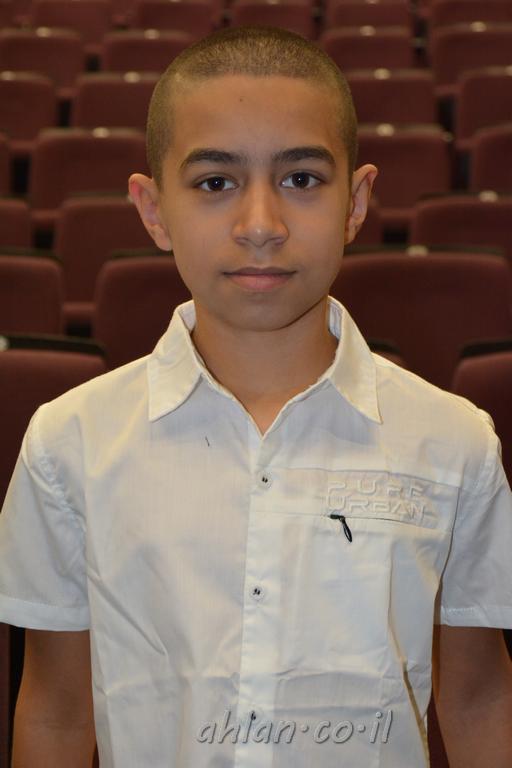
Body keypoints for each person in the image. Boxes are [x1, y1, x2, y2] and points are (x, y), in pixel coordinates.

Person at [1, 25, 511, 768]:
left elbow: (478, 698)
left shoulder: (453, 442)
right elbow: (56, 709)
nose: (261, 226)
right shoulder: (69, 443)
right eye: (216, 183)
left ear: (356, 203)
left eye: (301, 179)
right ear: (153, 210)